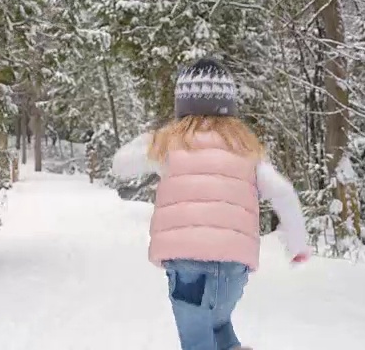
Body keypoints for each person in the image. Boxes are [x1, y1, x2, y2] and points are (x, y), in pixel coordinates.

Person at [111, 57, 310, 350]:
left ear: (182, 105)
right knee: (217, 324)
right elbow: (283, 193)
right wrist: (297, 245)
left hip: (187, 267)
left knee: (197, 341)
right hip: (233, 271)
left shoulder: (167, 146)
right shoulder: (247, 149)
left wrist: (152, 138)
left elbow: (120, 165)